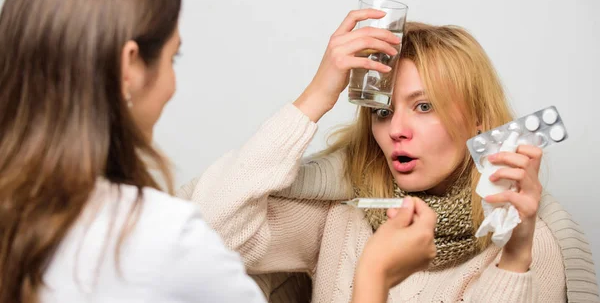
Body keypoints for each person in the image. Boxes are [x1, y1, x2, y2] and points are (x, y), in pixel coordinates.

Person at [0, 0, 439, 302]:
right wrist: (373, 276)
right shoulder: (154, 235)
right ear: (130, 66)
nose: (398, 129)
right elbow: (219, 229)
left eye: (423, 106)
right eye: (175, 58)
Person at [179, 17, 600, 301]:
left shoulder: (531, 243)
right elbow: (200, 239)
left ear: (477, 119)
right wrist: (316, 97)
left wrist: (514, 258)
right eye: (382, 112)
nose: (396, 128)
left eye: (423, 106)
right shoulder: (341, 217)